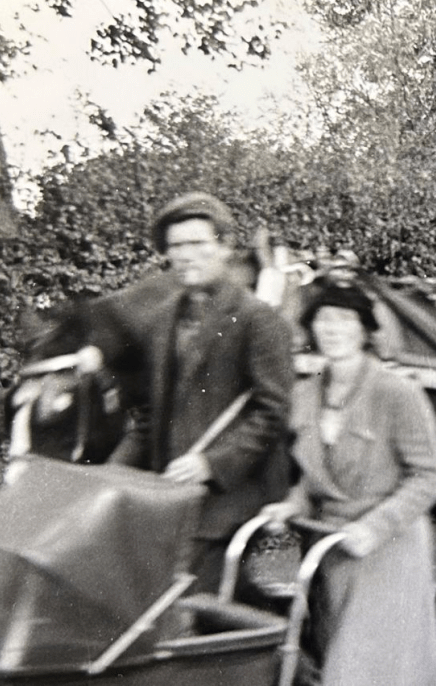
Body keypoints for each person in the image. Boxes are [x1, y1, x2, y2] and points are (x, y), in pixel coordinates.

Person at [261, 279, 436, 686]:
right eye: (324, 320)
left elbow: (430, 474)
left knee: (359, 666)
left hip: (389, 547)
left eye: (344, 320)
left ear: (364, 330)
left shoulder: (397, 393)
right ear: (312, 328)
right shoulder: (304, 394)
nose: (332, 329)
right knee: (348, 657)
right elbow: (313, 480)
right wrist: (291, 506)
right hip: (332, 549)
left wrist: (373, 528)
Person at [106, 192, 293, 597]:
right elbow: (151, 414)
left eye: (197, 244)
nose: (185, 255)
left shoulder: (258, 319)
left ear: (224, 247)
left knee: (248, 621)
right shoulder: (159, 321)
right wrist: (109, 474)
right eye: (175, 246)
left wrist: (212, 463)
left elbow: (272, 411)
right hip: (175, 502)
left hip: (241, 502)